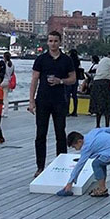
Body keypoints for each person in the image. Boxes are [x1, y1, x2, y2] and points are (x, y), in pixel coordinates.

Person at [28, 31, 76, 176]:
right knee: (40, 134)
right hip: (43, 100)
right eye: (50, 41)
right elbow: (34, 80)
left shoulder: (67, 60)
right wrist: (31, 101)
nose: (53, 44)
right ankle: (40, 166)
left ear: (60, 42)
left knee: (60, 133)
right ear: (47, 42)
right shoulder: (41, 59)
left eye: (56, 41)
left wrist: (60, 81)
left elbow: (73, 79)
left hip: (60, 100)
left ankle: (61, 165)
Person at [58, 127, 110, 198]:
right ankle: (102, 187)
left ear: (80, 141)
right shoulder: (93, 132)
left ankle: (102, 189)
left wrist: (70, 182)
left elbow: (79, 165)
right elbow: (109, 129)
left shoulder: (86, 147)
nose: (75, 149)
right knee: (101, 161)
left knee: (96, 164)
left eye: (74, 146)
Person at [89, 50, 110, 128]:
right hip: (107, 84)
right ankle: (107, 125)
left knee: (98, 105)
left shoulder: (101, 61)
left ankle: (98, 125)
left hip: (97, 83)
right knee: (108, 106)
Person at [67, 49, 82, 117]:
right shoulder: (78, 61)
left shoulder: (68, 60)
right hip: (76, 79)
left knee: (67, 95)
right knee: (74, 95)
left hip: (69, 79)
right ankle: (75, 111)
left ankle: (67, 111)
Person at [0, 51, 16, 117]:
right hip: (8, 82)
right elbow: (12, 74)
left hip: (2, 81)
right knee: (5, 98)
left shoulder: (3, 64)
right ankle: (5, 112)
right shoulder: (12, 65)